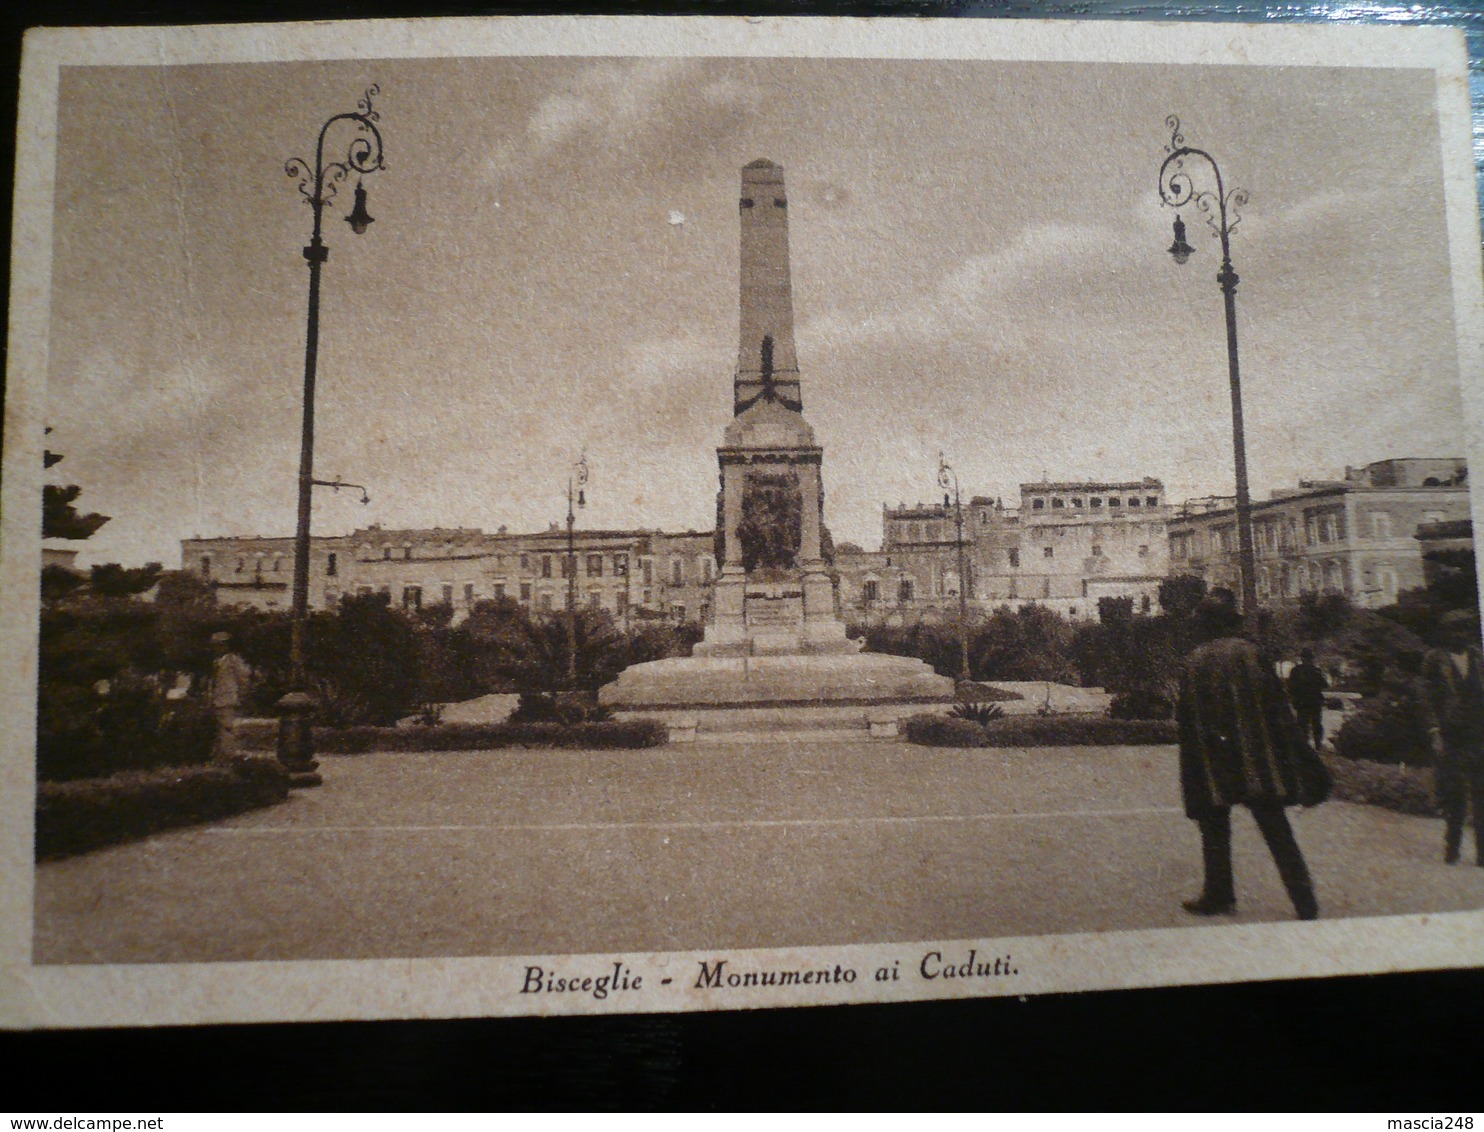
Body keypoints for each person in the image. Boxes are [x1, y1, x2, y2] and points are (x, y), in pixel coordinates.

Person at [1176, 589, 1322, 920]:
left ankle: (1219, 894)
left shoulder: (1194, 660)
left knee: (1214, 829)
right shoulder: (1252, 653)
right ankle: (1304, 901)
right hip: (1257, 758)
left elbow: (1184, 719)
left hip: (1212, 759)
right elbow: (1277, 707)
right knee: (1276, 828)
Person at [1418, 610, 1484, 866]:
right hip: (1451, 736)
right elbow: (1425, 698)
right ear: (1445, 634)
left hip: (1478, 734)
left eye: (1464, 629)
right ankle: (1452, 848)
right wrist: (1434, 732)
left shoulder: (1479, 656)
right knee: (1454, 794)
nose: (1459, 635)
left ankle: (1482, 853)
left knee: (1482, 794)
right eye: (1454, 630)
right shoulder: (1434, 660)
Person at [208, 631, 253, 760]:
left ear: (225, 646)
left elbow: (244, 676)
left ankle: (230, 755)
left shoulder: (233, 660)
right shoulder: (217, 661)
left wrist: (241, 693)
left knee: (228, 728)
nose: (215, 649)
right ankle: (221, 755)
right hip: (218, 699)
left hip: (228, 698)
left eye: (218, 645)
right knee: (220, 729)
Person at [1286, 647, 1329, 750]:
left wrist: (1293, 698)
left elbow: (1290, 686)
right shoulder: (1316, 670)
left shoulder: (1295, 670)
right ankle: (1317, 744)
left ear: (1302, 658)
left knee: (1302, 723)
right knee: (1316, 723)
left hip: (1301, 701)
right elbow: (1325, 685)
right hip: (1314, 701)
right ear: (1311, 659)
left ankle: (1304, 745)